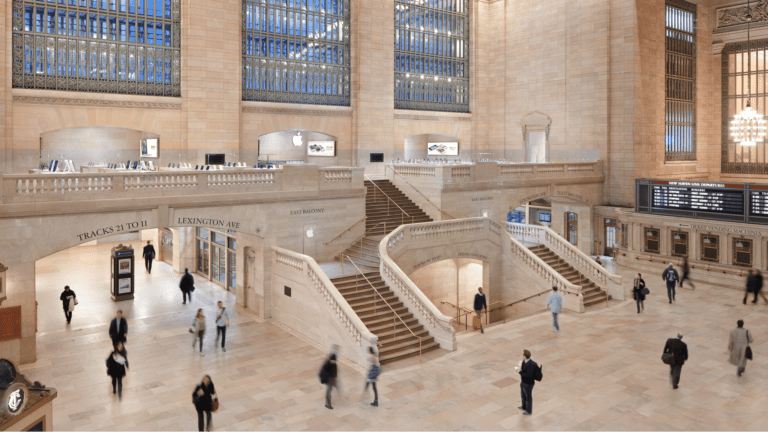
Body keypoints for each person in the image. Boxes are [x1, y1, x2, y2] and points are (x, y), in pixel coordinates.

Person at [517, 349, 537, 416]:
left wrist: (520, 372)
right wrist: (519, 368)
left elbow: (528, 375)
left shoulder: (531, 364)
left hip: (529, 383)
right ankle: (524, 406)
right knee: (523, 395)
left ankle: (529, 411)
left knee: (528, 397)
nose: (522, 355)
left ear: (525, 356)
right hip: (523, 382)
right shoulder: (524, 361)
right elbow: (523, 369)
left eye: (523, 354)